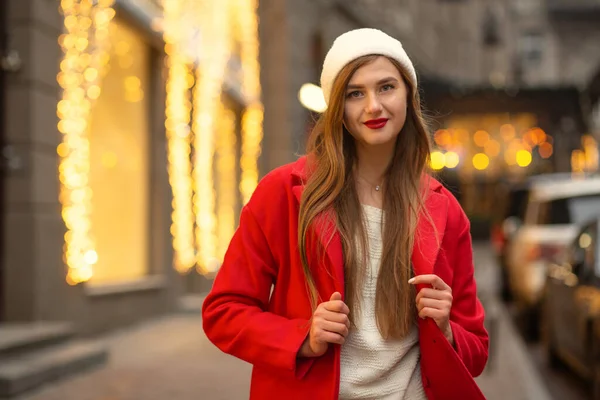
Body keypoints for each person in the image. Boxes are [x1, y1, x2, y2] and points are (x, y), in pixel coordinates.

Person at [202, 28, 489, 400]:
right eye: (356, 93)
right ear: (338, 108)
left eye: (386, 87)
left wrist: (447, 329)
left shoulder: (444, 211)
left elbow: (477, 350)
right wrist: (303, 337)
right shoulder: (282, 194)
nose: (373, 106)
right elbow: (223, 312)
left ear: (408, 96)